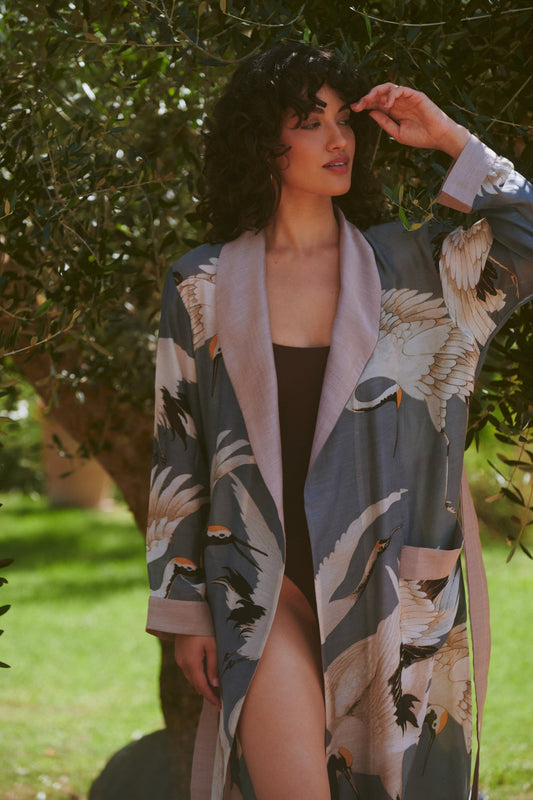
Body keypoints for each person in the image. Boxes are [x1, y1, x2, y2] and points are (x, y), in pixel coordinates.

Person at [145, 43, 533, 800]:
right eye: (308, 121)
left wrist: (449, 135)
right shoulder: (201, 284)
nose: (338, 138)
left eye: (342, 120)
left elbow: (526, 230)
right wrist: (182, 607)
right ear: (264, 141)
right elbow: (178, 449)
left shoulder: (419, 273)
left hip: (392, 591)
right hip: (260, 589)